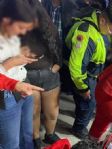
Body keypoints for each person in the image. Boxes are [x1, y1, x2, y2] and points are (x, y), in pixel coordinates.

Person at [65, 2, 112, 139]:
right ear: (103, 20)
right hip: (84, 76)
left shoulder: (99, 24)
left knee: (86, 103)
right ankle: (79, 128)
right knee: (88, 103)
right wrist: (83, 88)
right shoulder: (85, 33)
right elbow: (76, 66)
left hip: (93, 73)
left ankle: (81, 114)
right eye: (111, 30)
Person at [21, 0, 62, 147]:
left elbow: (59, 49)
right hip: (27, 76)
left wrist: (55, 68)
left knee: (52, 112)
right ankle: (36, 138)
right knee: (34, 112)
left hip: (49, 75)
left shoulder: (48, 28)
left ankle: (50, 135)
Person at [0, 0, 37, 148]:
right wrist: (11, 63)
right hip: (6, 95)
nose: (22, 32)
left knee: (26, 134)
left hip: (23, 84)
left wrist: (25, 58)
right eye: (21, 27)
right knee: (11, 144)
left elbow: (16, 63)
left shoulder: (13, 34)